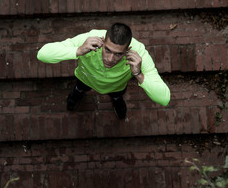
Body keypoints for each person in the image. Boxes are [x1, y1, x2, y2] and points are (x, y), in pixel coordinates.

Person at [37, 23, 170, 119]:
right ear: (103, 41)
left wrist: (138, 74)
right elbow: (42, 54)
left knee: (117, 95)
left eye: (118, 54)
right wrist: (78, 50)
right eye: (107, 50)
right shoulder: (89, 39)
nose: (110, 59)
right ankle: (78, 92)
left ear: (128, 49)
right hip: (86, 78)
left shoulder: (138, 53)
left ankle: (117, 100)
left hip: (116, 87)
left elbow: (164, 98)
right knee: (80, 88)